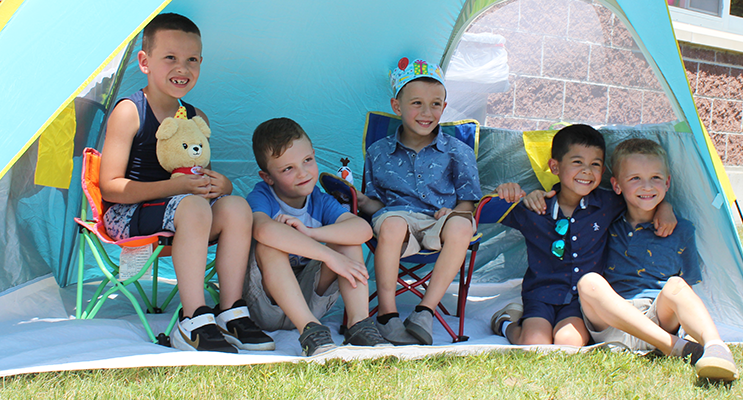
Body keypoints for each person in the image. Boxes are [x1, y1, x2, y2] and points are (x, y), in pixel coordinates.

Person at [99, 13, 273, 353]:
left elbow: (198, 182)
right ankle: (192, 318)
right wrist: (177, 190)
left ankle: (230, 309)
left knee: (236, 206)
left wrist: (218, 185)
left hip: (185, 214)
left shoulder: (196, 118)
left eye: (191, 60)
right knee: (192, 205)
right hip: (129, 214)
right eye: (170, 58)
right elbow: (110, 187)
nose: (183, 68)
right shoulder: (130, 111)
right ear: (145, 62)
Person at [489, 125, 676, 347]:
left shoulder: (607, 203)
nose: (587, 171)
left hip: (581, 302)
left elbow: (640, 198)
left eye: (595, 164)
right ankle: (506, 322)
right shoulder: (535, 207)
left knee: (569, 343)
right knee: (534, 342)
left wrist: (665, 207)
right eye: (577, 162)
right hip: (541, 295)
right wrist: (504, 192)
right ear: (555, 166)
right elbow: (483, 212)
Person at [576, 138, 738, 381]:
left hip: (658, 316)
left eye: (655, 178)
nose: (647, 186)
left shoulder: (682, 229)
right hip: (613, 322)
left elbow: (688, 289)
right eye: (635, 179)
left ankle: (716, 347)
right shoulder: (606, 220)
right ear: (617, 185)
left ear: (667, 182)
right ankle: (676, 347)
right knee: (588, 282)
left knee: (677, 285)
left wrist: (666, 207)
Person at [356, 58, 482, 345]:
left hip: (440, 221)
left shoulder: (457, 151)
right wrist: (362, 200)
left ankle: (425, 311)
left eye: (436, 104)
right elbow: (378, 206)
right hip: (396, 223)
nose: (427, 113)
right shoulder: (378, 152)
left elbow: (468, 202)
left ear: (444, 108)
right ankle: (387, 315)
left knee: (463, 226)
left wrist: (455, 213)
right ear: (397, 107)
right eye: (417, 104)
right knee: (392, 224)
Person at [246, 117, 389, 356]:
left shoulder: (319, 200)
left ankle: (359, 324)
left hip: (311, 300)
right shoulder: (263, 196)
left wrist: (312, 233)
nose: (303, 173)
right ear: (268, 177)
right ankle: (310, 332)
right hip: (266, 305)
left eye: (307, 161)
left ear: (314, 154)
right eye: (288, 169)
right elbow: (262, 229)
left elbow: (362, 229)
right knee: (269, 244)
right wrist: (328, 255)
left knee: (348, 239)